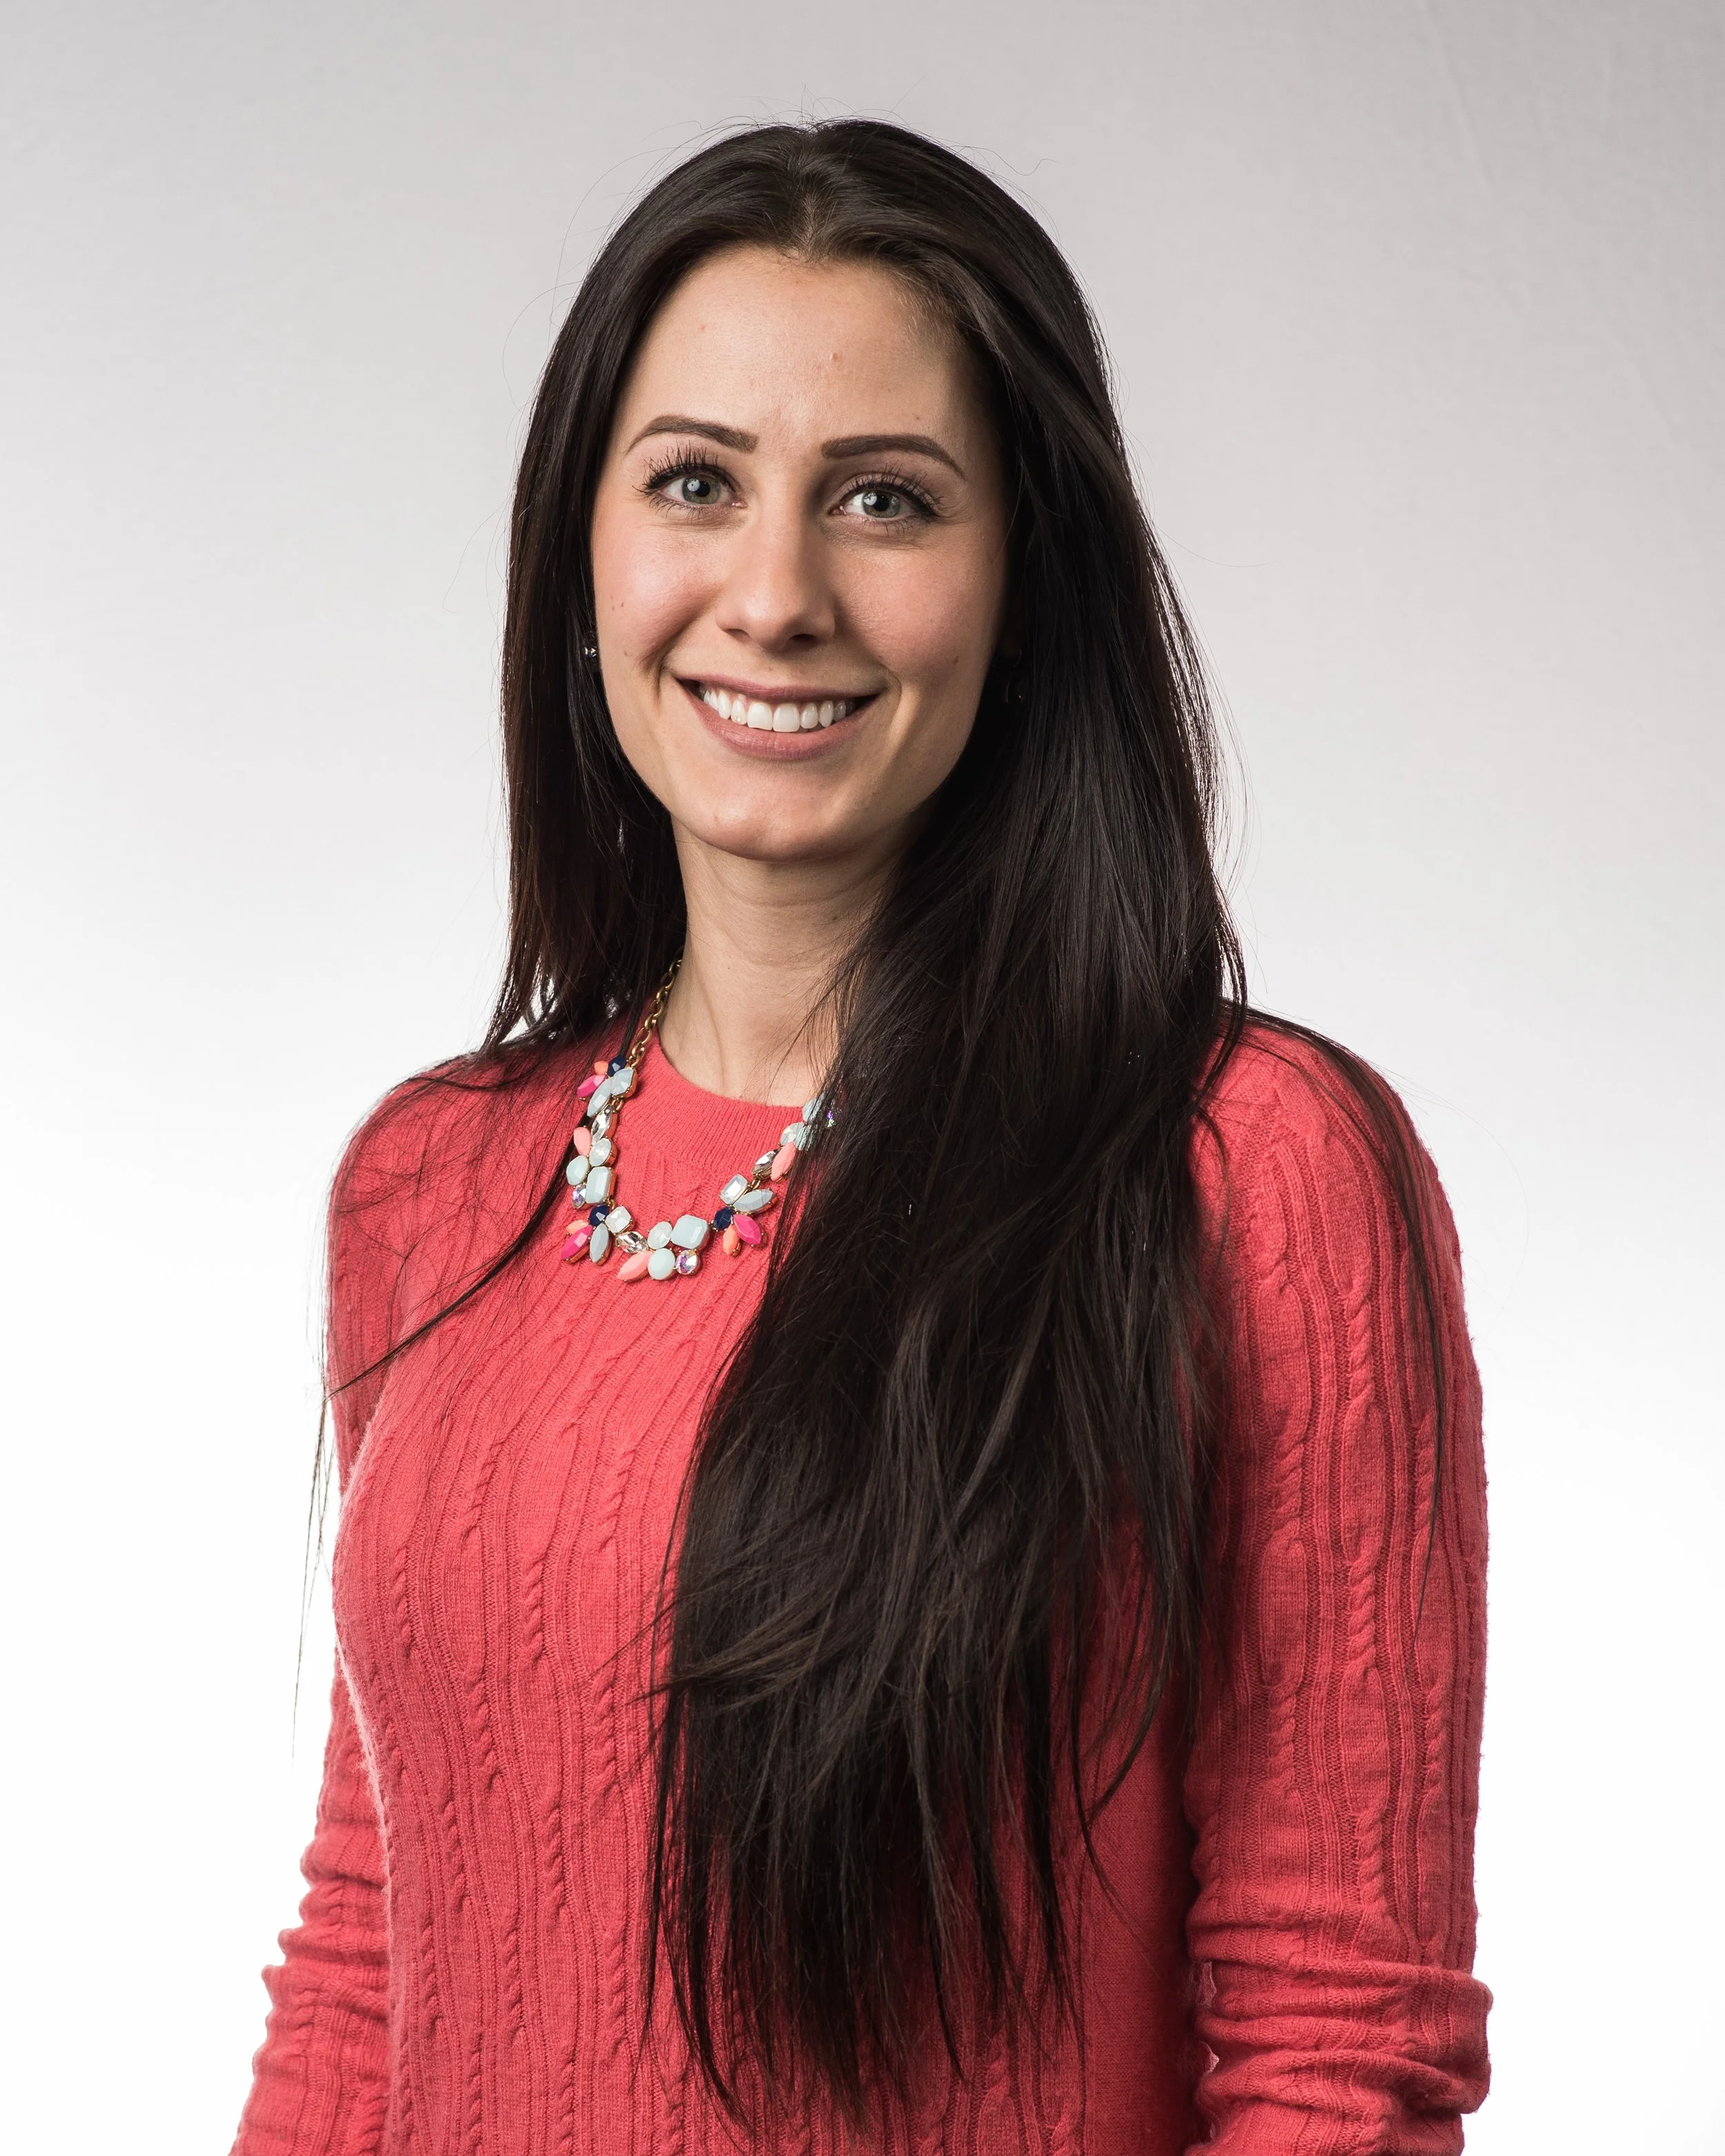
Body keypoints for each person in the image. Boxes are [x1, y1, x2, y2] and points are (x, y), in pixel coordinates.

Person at [230, 119, 1490, 2155]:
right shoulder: (431, 1184)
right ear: (585, 551)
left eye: (884, 500)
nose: (776, 592)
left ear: (1023, 588)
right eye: (696, 484)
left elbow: (1335, 2047)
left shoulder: (1249, 1173)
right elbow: (377, 1954)